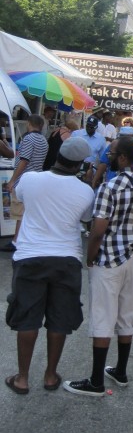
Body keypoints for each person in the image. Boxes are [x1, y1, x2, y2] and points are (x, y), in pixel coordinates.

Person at [63, 138, 133, 397]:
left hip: (108, 259)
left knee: (103, 317)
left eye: (112, 152)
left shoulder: (109, 187)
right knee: (127, 315)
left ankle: (96, 381)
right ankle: (120, 370)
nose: (108, 155)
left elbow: (98, 230)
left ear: (123, 159)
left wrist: (90, 257)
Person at [4, 138, 95, 395]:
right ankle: (50, 375)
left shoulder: (31, 179)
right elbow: (86, 218)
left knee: (27, 317)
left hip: (30, 256)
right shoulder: (85, 191)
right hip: (66, 259)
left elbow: (19, 197)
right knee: (59, 318)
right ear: (79, 164)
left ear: (58, 156)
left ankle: (22, 378)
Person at [2, 114, 49, 252]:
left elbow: (24, 160)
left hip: (24, 180)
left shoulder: (28, 139)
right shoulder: (43, 140)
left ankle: (16, 241)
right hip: (37, 179)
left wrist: (12, 181)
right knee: (28, 212)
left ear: (29, 124)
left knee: (19, 213)